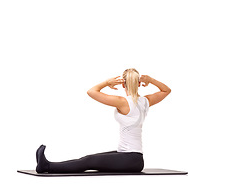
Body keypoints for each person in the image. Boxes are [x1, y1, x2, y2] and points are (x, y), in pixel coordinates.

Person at [36, 68, 171, 173]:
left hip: (130, 159)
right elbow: (166, 90)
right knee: (88, 159)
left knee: (89, 161)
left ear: (123, 84)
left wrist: (107, 83)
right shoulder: (145, 101)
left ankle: (46, 166)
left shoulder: (123, 102)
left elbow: (91, 91)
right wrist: (151, 80)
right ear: (140, 83)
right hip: (131, 157)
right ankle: (46, 165)